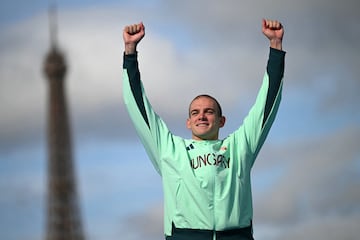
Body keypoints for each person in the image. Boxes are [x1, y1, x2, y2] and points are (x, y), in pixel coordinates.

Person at [122, 19, 285, 240]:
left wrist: (275, 45)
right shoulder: (171, 150)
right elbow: (139, 109)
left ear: (221, 121)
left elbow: (266, 107)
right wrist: (130, 52)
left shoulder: (238, 147)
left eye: (209, 111)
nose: (202, 116)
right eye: (195, 112)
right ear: (188, 122)